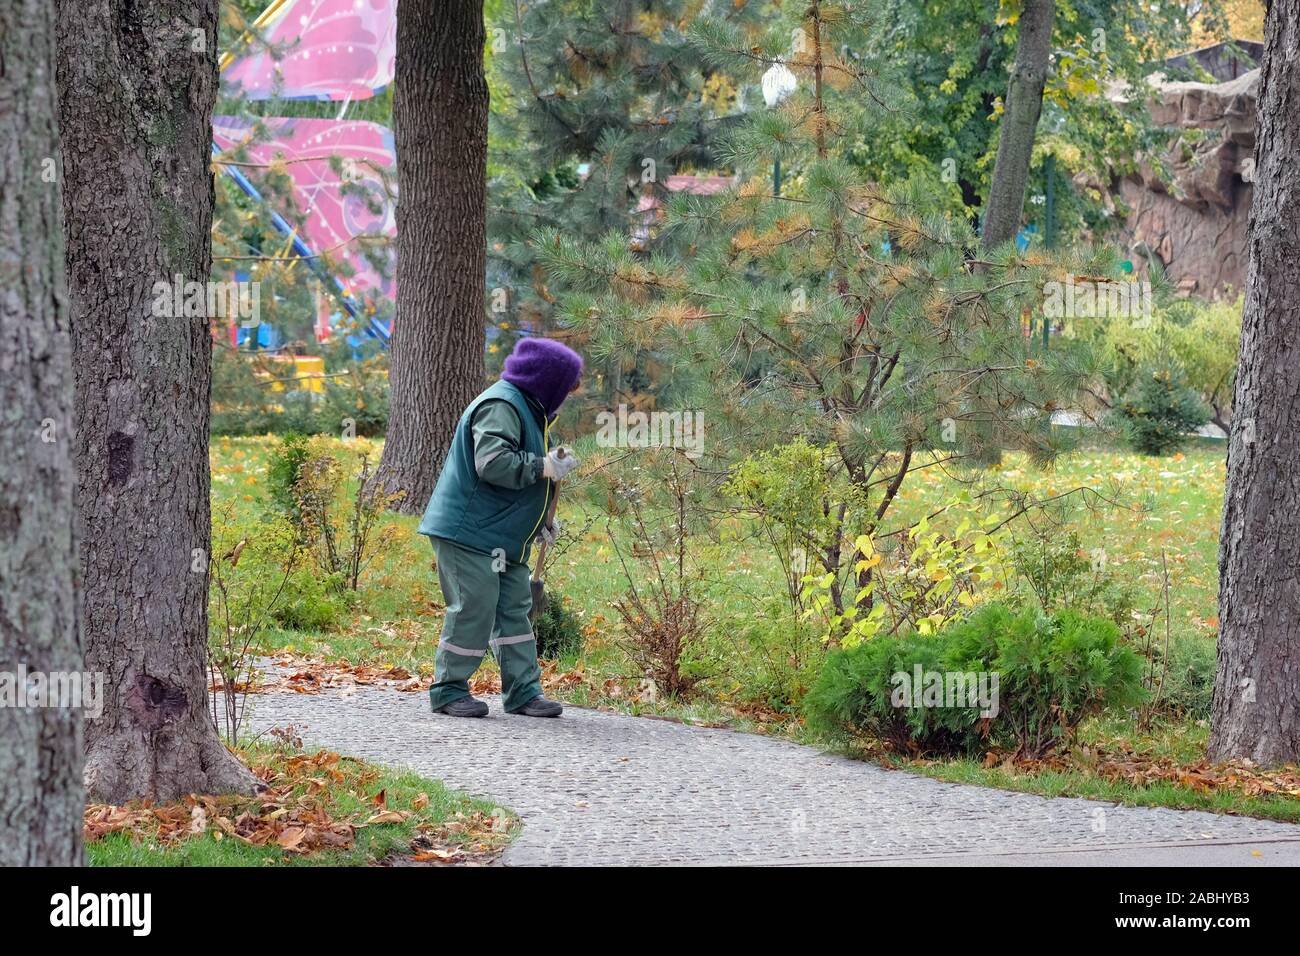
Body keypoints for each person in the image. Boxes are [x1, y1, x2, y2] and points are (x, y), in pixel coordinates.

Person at [417, 337, 583, 718]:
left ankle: (524, 692)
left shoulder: (530, 410)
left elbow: (528, 474)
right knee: (473, 607)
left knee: (514, 610)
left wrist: (541, 522)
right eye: (566, 388)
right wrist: (541, 466)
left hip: (503, 537)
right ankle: (448, 689)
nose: (566, 398)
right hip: (469, 533)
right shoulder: (501, 405)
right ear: (548, 381)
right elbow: (491, 463)